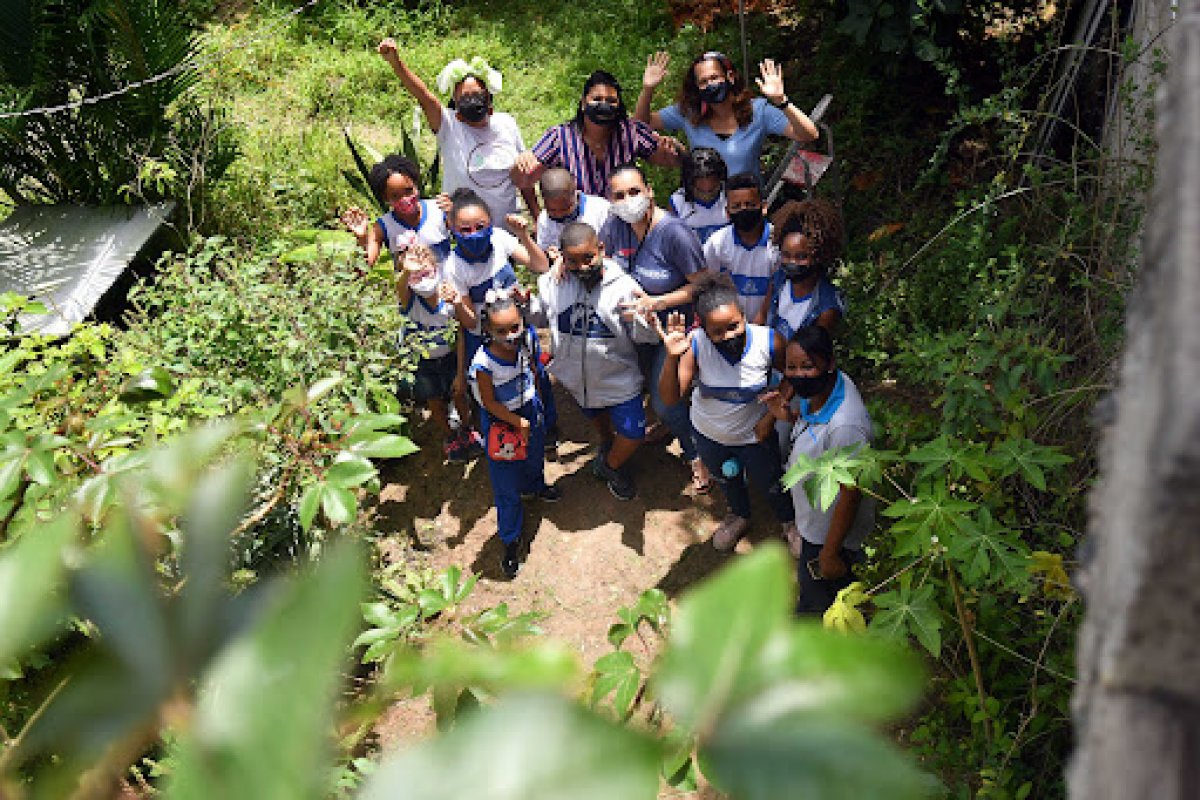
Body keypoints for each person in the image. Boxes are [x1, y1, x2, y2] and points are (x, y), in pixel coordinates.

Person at [657, 276, 796, 550]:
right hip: (709, 436)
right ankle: (739, 515)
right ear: (704, 329)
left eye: (734, 326)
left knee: (770, 482)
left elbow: (792, 375)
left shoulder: (769, 341)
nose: (728, 336)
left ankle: (789, 522)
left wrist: (771, 414)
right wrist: (672, 356)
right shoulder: (695, 345)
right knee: (727, 479)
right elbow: (671, 397)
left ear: (744, 316)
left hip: (754, 436)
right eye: (717, 332)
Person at [599, 163, 711, 492]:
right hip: (636, 330)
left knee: (666, 399)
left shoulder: (674, 233)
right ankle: (669, 426)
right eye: (619, 195)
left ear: (649, 191)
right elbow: (601, 261)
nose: (627, 200)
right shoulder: (614, 226)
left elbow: (702, 284)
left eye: (634, 192)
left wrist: (659, 302)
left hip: (673, 330)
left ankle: (696, 454)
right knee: (648, 386)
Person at [530, 222, 658, 500]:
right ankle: (606, 442)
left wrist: (645, 321)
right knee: (595, 415)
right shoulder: (552, 283)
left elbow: (644, 337)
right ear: (562, 258)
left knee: (634, 432)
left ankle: (609, 466)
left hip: (619, 378)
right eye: (572, 261)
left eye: (588, 258)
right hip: (578, 380)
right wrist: (525, 304)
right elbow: (540, 318)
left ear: (601, 249)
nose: (582, 267)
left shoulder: (624, 287)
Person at [760, 325, 874, 615]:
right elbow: (811, 422)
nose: (799, 375)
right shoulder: (827, 388)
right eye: (791, 367)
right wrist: (785, 415)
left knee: (816, 604)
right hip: (813, 520)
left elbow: (851, 492)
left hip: (829, 535)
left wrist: (830, 552)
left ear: (830, 363)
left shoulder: (846, 425)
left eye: (808, 367)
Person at [377, 41, 540, 220]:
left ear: (489, 101)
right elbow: (423, 96)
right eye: (464, 98)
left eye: (477, 95)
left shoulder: (506, 124)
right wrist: (395, 62)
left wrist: (537, 216)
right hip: (463, 231)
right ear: (456, 109)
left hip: (508, 229)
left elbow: (524, 176)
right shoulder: (449, 125)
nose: (472, 102)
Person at [468, 290, 561, 578]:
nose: (509, 335)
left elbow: (534, 371)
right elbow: (488, 402)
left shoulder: (527, 342)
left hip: (528, 410)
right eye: (501, 331)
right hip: (501, 422)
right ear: (488, 330)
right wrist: (515, 421)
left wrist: (534, 409)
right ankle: (510, 540)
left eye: (514, 327)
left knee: (533, 456)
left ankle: (535, 486)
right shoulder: (483, 363)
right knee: (505, 484)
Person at [635, 51, 818, 181]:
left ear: (729, 76)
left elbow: (808, 134)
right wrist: (648, 89)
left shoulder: (758, 111)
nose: (710, 84)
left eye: (714, 77)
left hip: (746, 207)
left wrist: (782, 101)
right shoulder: (689, 112)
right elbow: (641, 124)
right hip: (702, 205)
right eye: (703, 82)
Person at [512, 70, 678, 199]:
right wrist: (521, 163)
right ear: (584, 103)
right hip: (579, 228)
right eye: (597, 99)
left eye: (611, 101)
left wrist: (673, 148)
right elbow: (522, 180)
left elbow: (671, 159)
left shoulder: (630, 132)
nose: (604, 105)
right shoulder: (559, 137)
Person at [392, 243, 481, 461]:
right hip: (423, 363)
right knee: (435, 402)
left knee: (459, 394)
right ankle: (450, 436)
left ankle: (467, 429)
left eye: (426, 272)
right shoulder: (410, 300)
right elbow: (400, 289)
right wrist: (406, 270)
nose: (421, 278)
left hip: (450, 357)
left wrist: (461, 373)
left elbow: (461, 333)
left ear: (436, 269)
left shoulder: (447, 295)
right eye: (415, 276)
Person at [341, 154, 451, 267]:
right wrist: (362, 238)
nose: (405, 199)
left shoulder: (439, 209)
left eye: (408, 191)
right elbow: (362, 269)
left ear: (416, 185)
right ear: (385, 198)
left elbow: (468, 247)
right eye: (395, 196)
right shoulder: (382, 228)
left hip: (448, 284)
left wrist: (455, 216)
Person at [759, 198, 846, 335]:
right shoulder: (779, 278)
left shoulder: (826, 308)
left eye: (801, 257)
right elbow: (762, 317)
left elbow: (814, 351)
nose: (792, 262)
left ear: (819, 255)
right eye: (786, 255)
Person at [703, 172, 776, 323]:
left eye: (750, 204)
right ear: (727, 212)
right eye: (736, 206)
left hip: (770, 329)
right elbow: (709, 285)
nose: (744, 210)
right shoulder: (717, 244)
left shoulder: (778, 243)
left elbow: (778, 287)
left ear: (763, 207)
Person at [534, 167, 611, 252]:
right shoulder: (544, 218)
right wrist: (549, 253)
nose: (559, 215)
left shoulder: (601, 209)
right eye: (552, 210)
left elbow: (611, 245)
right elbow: (543, 249)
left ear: (575, 194)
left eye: (565, 209)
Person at [668, 147, 729, 244]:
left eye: (712, 190)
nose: (707, 194)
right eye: (701, 191)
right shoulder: (678, 202)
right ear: (689, 182)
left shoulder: (731, 196)